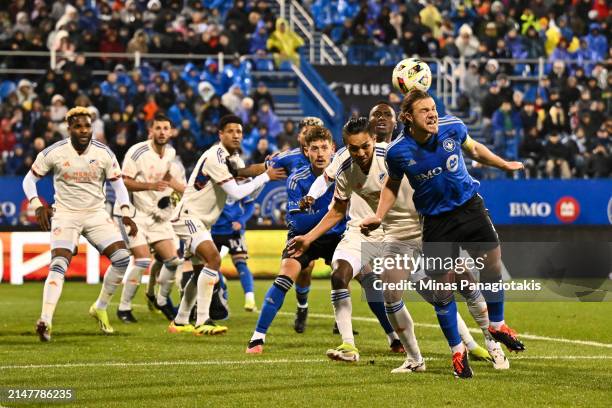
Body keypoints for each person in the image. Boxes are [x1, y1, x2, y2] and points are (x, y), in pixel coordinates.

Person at [361, 90, 525, 378]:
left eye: (433, 108)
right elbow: (391, 185)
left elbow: (474, 150)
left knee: (493, 263)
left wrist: (503, 164)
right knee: (442, 288)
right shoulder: (398, 152)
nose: (432, 114)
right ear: (408, 117)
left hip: (470, 207)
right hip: (437, 222)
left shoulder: (454, 127)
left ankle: (497, 325)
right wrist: (378, 215)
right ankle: (457, 352)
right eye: (424, 110)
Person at [22, 107, 138, 341]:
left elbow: (119, 186)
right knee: (59, 262)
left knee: (123, 258)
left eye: (87, 126)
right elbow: (29, 180)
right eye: (78, 126)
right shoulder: (54, 152)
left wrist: (126, 212)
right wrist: (36, 204)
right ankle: (45, 320)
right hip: (65, 214)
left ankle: (100, 306)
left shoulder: (104, 153)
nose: (84, 130)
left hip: (96, 214)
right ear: (69, 128)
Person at [167, 115, 285, 336]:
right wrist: (266, 176)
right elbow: (236, 192)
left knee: (200, 269)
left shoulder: (233, 158)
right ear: (220, 134)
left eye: (239, 131)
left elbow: (244, 176)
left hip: (202, 221)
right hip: (188, 217)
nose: (236, 135)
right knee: (213, 259)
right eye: (230, 131)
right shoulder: (216, 157)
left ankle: (181, 320)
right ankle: (202, 320)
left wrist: (266, 166)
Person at [246, 125, 344, 354]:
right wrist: (334, 213)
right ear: (306, 152)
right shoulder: (296, 179)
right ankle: (257, 338)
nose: (320, 153)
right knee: (284, 277)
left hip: (336, 236)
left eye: (324, 148)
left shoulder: (343, 173)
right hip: (303, 237)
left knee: (367, 276)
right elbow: (299, 224)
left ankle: (393, 337)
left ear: (333, 150)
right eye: (314, 149)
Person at [237, 116, 324, 333]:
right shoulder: (289, 158)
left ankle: (342, 318)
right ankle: (302, 307)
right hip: (304, 224)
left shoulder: (333, 158)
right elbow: (260, 168)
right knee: (305, 268)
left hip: (333, 222)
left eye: (317, 130)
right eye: (307, 130)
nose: (311, 134)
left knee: (345, 269)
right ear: (300, 135)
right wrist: (237, 172)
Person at [115, 113, 185, 323]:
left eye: (166, 128)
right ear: (150, 131)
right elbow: (123, 181)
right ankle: (124, 308)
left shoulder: (171, 154)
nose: (162, 132)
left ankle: (161, 300)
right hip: (135, 215)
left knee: (173, 262)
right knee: (143, 260)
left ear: (171, 132)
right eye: (158, 128)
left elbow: (173, 182)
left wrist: (185, 191)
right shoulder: (137, 152)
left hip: (157, 217)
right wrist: (150, 186)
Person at [211, 156, 258, 312]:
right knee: (211, 266)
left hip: (233, 230)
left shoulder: (244, 182)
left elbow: (250, 205)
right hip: (214, 229)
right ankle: (221, 290)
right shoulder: (215, 179)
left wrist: (242, 221)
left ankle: (250, 298)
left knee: (240, 263)